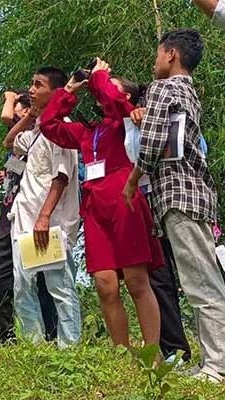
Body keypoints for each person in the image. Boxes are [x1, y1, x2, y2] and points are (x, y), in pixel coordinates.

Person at [38, 58, 163, 350]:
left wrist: (100, 76)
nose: (101, 91)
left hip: (124, 198)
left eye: (109, 87)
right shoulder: (88, 132)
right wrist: (69, 89)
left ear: (126, 95)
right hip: (95, 205)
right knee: (105, 285)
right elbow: (49, 124)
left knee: (135, 280)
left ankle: (151, 352)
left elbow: (113, 100)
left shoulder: (129, 118)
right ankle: (122, 351)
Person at [123, 29, 225, 383]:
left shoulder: (164, 89)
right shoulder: (189, 92)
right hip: (192, 193)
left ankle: (218, 366)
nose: (153, 63)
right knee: (200, 280)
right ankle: (212, 360)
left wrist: (135, 177)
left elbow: (151, 141)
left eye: (156, 55)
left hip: (181, 194)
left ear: (170, 54)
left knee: (202, 284)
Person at [10, 67, 81, 348]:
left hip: (47, 223)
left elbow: (61, 176)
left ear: (55, 91)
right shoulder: (39, 129)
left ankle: (70, 347)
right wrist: (31, 114)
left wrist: (44, 217)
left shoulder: (61, 125)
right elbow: (10, 144)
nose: (31, 89)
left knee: (59, 286)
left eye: (38, 85)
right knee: (22, 286)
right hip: (24, 220)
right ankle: (34, 345)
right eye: (31, 84)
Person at [0, 90, 59, 345]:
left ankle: (51, 336)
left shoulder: (43, 134)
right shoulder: (22, 137)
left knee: (41, 277)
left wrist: (10, 98)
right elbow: (9, 140)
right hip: (10, 212)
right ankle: (3, 336)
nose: (15, 115)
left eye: (22, 110)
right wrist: (4, 174)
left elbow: (7, 116)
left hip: (35, 211)